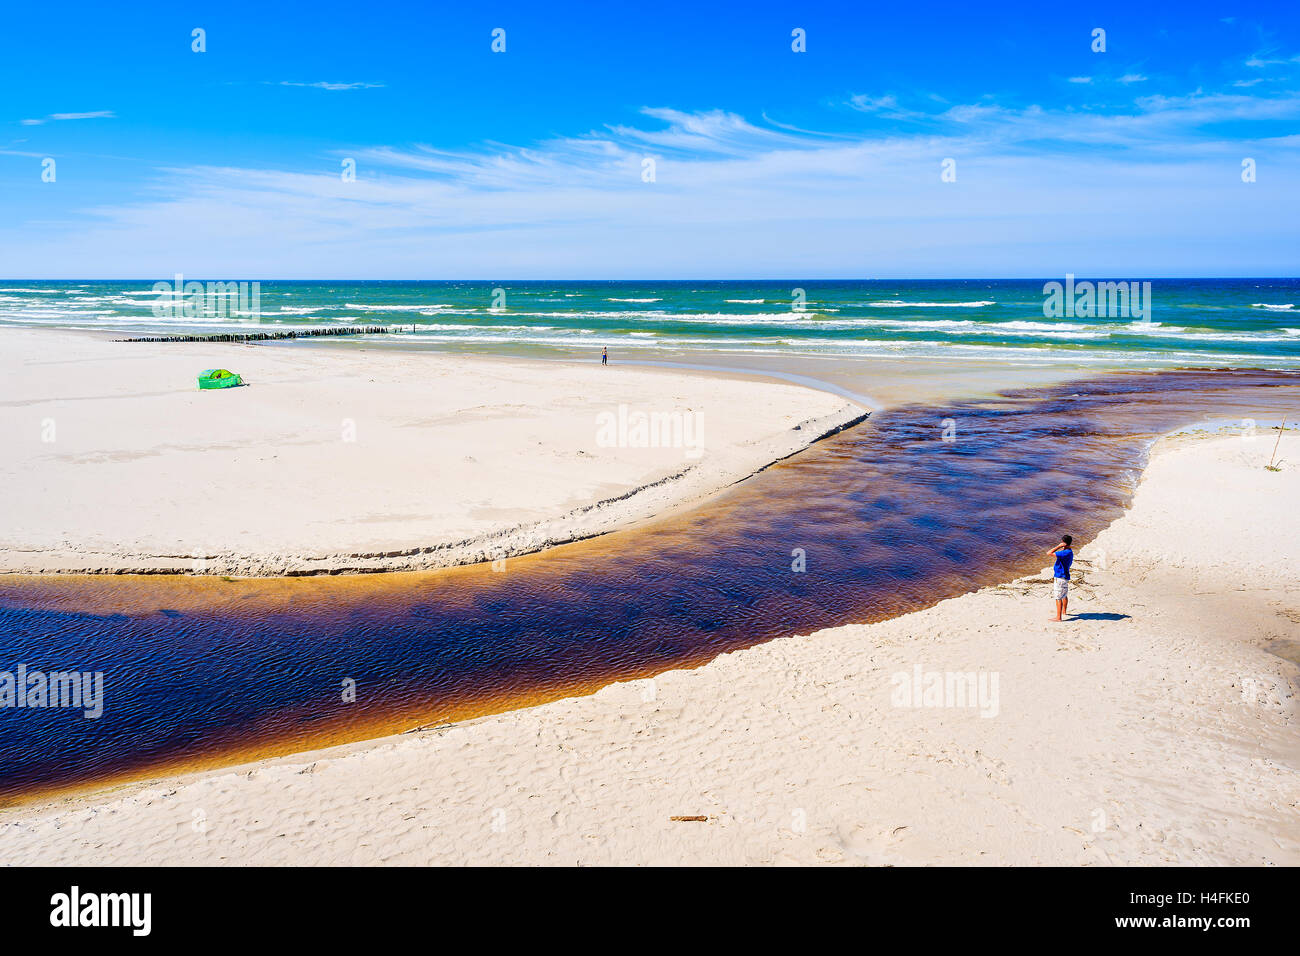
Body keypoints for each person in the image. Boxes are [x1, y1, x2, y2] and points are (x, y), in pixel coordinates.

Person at [1047, 534, 1073, 621]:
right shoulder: (1070, 551)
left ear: (1063, 543)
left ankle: (1058, 617)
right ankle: (1064, 612)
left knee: (1058, 597)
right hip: (1065, 576)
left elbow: (1049, 553)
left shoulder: (1064, 553)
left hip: (1060, 577)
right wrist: (1063, 547)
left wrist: (1058, 546)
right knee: (1064, 595)